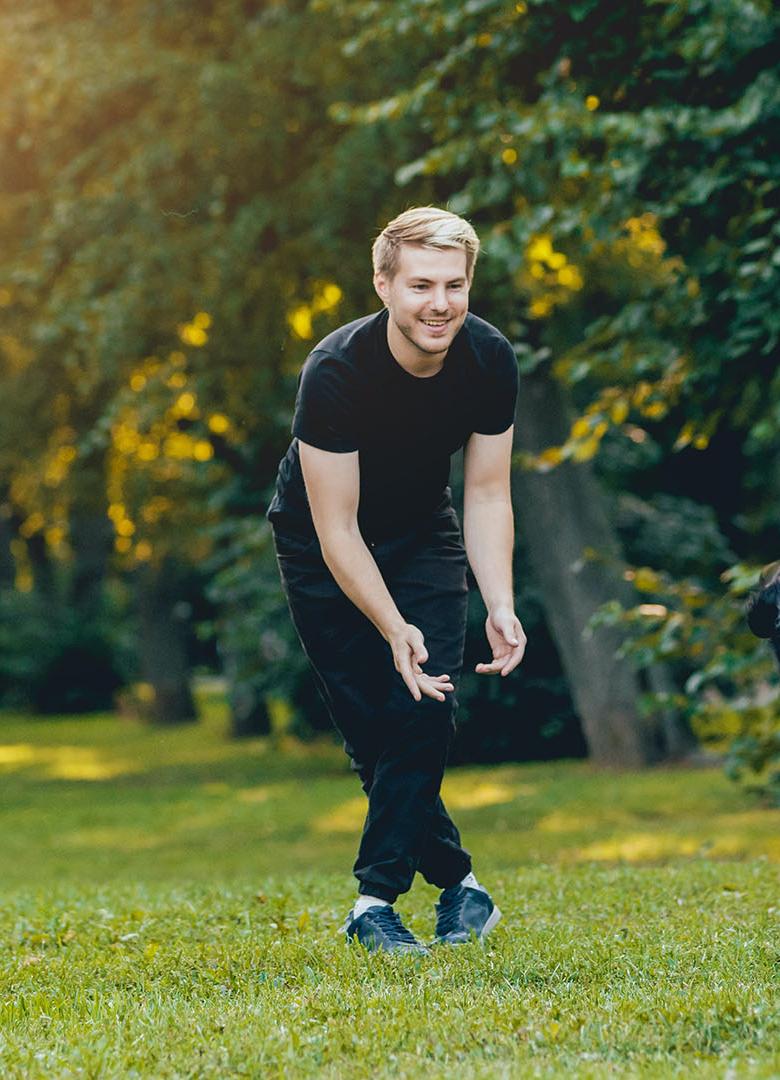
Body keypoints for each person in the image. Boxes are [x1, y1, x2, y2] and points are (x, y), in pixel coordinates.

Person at [266, 207, 526, 955]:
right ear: (382, 285)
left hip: (422, 534)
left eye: (454, 284)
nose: (439, 302)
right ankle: (462, 886)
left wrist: (500, 602)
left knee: (425, 701)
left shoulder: (488, 359)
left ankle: (372, 902)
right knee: (374, 732)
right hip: (321, 545)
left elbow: (486, 494)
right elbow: (336, 526)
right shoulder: (337, 372)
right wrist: (390, 624)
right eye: (419, 285)